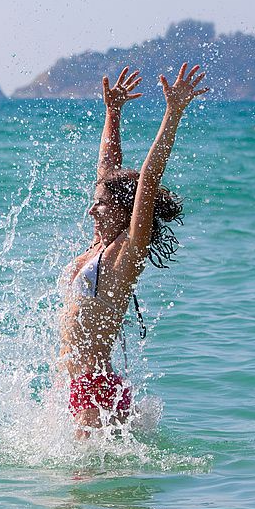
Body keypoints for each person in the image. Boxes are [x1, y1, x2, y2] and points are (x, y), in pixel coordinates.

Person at [60, 63, 208, 439]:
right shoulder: (97, 246)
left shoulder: (125, 254)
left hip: (96, 389)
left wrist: (172, 114)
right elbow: (106, 172)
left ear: (125, 212)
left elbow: (149, 177)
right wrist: (113, 114)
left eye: (101, 205)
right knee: (89, 489)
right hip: (81, 387)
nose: (92, 209)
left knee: (80, 491)